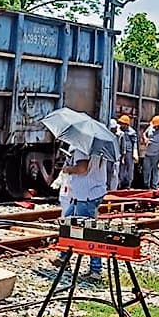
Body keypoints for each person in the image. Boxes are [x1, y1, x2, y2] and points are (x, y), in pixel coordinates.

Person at [60, 145, 108, 277]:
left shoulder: (82, 146)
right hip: (91, 192)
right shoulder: (99, 146)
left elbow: (82, 168)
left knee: (88, 232)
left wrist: (67, 169)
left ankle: (95, 269)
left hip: (85, 195)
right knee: (68, 223)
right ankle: (63, 257)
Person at [142, 115, 159, 191]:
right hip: (148, 153)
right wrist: (146, 139)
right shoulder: (150, 127)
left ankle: (154, 186)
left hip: (157, 154)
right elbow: (144, 134)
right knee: (146, 170)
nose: (154, 127)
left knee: (156, 170)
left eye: (155, 126)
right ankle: (146, 185)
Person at [114, 115, 137, 189]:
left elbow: (135, 143)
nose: (121, 125)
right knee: (121, 167)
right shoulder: (119, 131)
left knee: (129, 167)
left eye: (122, 123)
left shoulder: (132, 132)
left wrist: (135, 152)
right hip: (120, 151)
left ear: (127, 124)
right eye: (120, 123)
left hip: (129, 152)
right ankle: (120, 182)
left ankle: (128, 184)